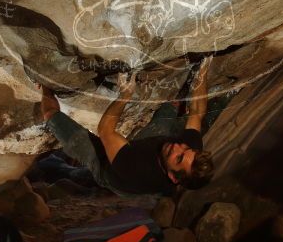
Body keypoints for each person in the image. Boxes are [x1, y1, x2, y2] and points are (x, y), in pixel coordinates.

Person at [42, 57, 215, 196]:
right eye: (185, 149)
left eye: (178, 158)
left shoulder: (134, 170)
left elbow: (105, 131)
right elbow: (197, 112)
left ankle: (42, 86)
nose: (178, 147)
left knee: (52, 116)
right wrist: (203, 70)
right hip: (150, 149)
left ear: (172, 177)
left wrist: (126, 94)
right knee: (169, 110)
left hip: (109, 169)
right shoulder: (191, 152)